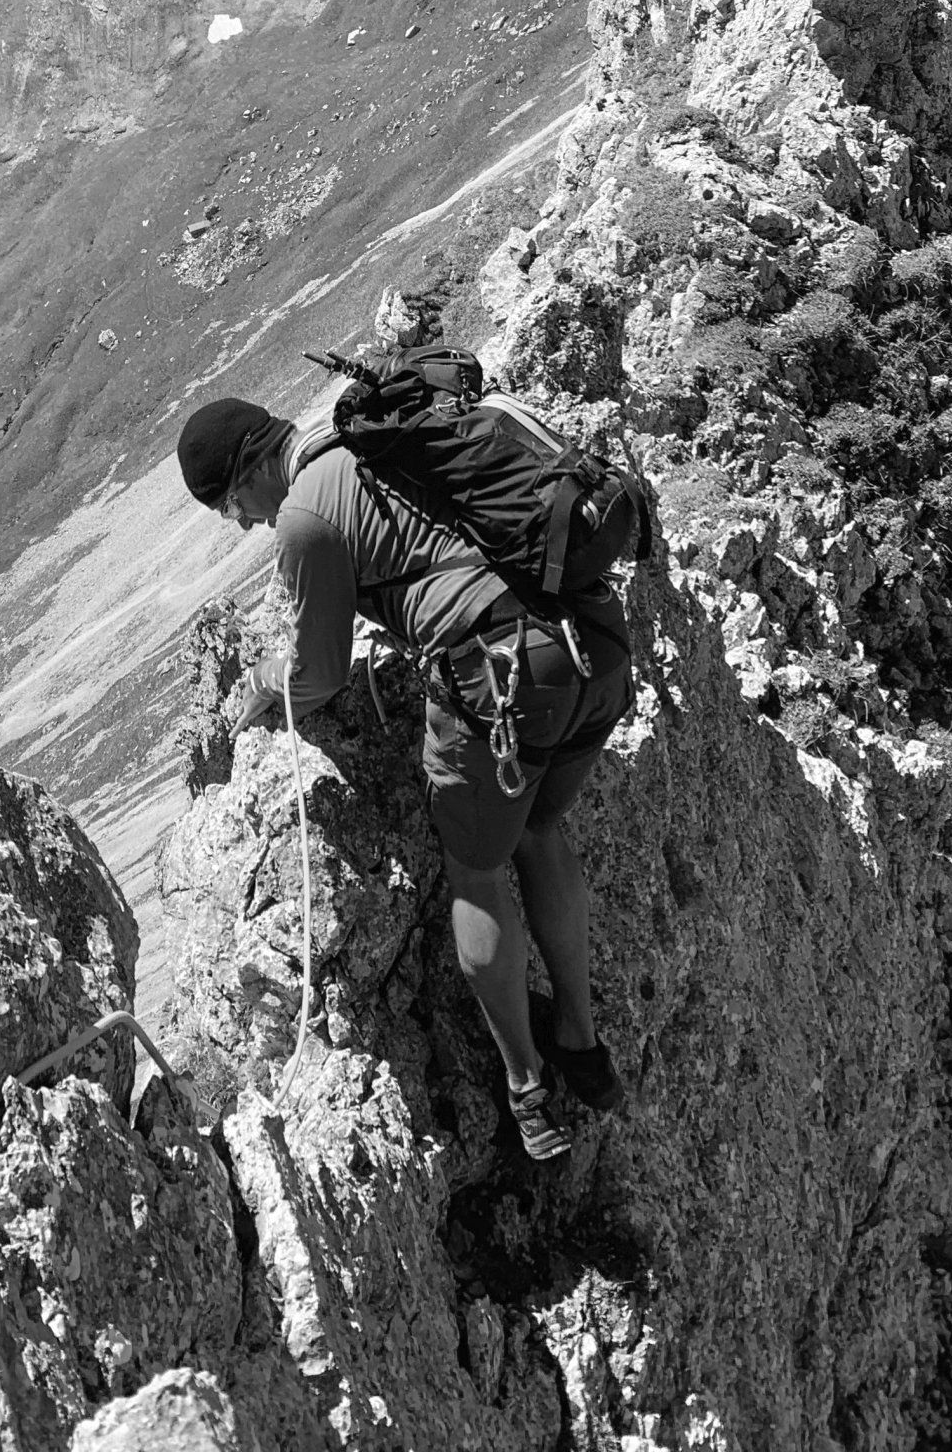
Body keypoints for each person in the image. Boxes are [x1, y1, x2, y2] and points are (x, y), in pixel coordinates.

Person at [177, 392, 632, 1159]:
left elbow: (316, 676)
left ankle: (527, 1089)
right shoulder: (378, 440)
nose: (247, 524)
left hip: (503, 678)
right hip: (588, 643)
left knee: (477, 875)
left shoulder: (303, 518)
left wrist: (259, 684)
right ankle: (581, 1046)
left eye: (230, 507)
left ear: (253, 469)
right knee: (539, 829)